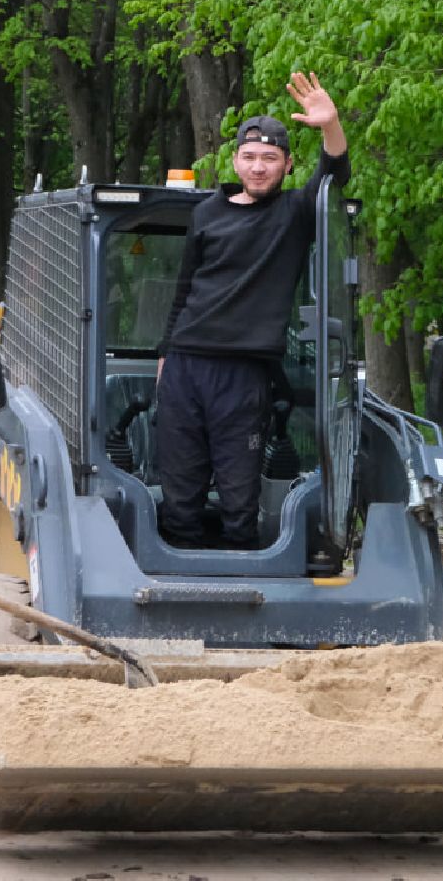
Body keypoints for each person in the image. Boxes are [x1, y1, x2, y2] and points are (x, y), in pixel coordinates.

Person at [155, 71, 349, 549]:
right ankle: (178, 572)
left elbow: (335, 176)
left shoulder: (295, 213)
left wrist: (330, 125)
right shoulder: (206, 213)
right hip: (185, 364)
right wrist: (165, 355)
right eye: (249, 157)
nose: (258, 167)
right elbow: (184, 289)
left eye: (269, 158)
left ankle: (241, 572)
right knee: (180, 487)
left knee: (239, 492)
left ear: (287, 165)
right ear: (236, 161)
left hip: (244, 373)